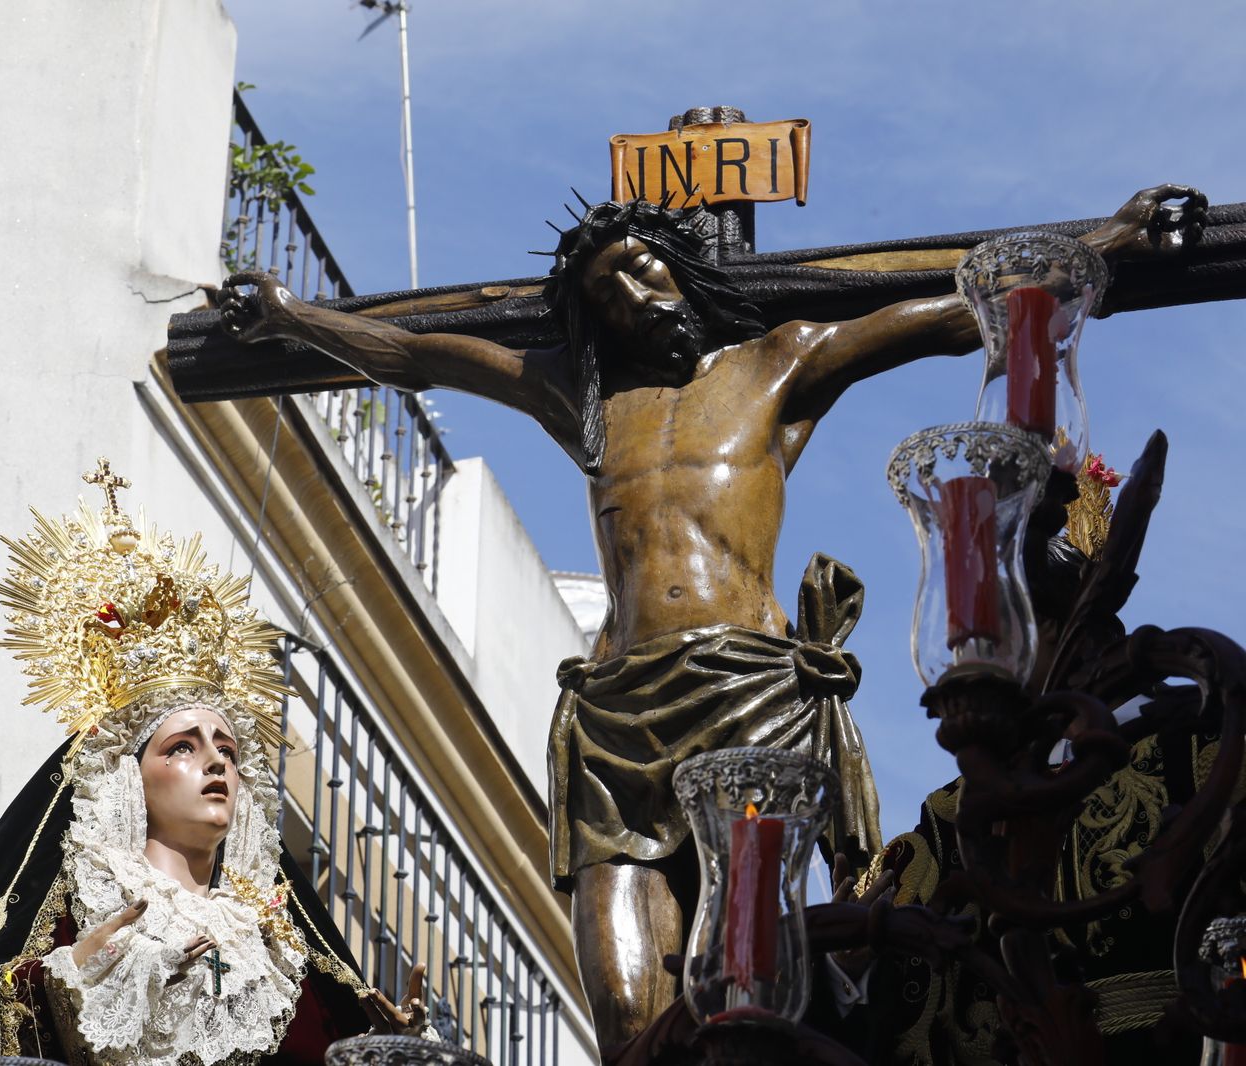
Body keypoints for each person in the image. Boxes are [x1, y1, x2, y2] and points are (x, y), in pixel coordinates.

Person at [217, 184, 1207, 1045]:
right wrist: (290, 316)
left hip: (749, 693)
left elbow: (956, 309)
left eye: (644, 270)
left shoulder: (776, 366)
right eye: (608, 292)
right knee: (619, 995)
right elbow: (410, 352)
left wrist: (1107, 240)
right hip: (615, 710)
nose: (636, 298)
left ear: (681, 270)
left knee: (753, 977)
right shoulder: (583, 399)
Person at [0, 464, 427, 1066]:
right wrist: (64, 978)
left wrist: (389, 1052)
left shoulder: (279, 946)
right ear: (128, 780)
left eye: (227, 750)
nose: (214, 761)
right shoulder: (78, 909)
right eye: (182, 746)